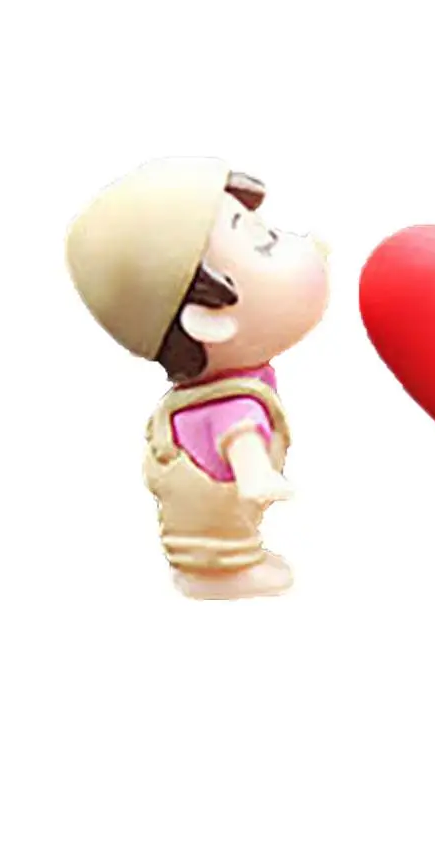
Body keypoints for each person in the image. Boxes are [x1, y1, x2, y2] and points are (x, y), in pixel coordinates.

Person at [67, 158, 330, 599]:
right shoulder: (232, 406)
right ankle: (226, 572)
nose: (300, 246)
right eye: (265, 244)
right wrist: (258, 477)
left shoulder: (223, 389)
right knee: (221, 538)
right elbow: (241, 441)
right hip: (212, 525)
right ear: (211, 321)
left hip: (205, 510)